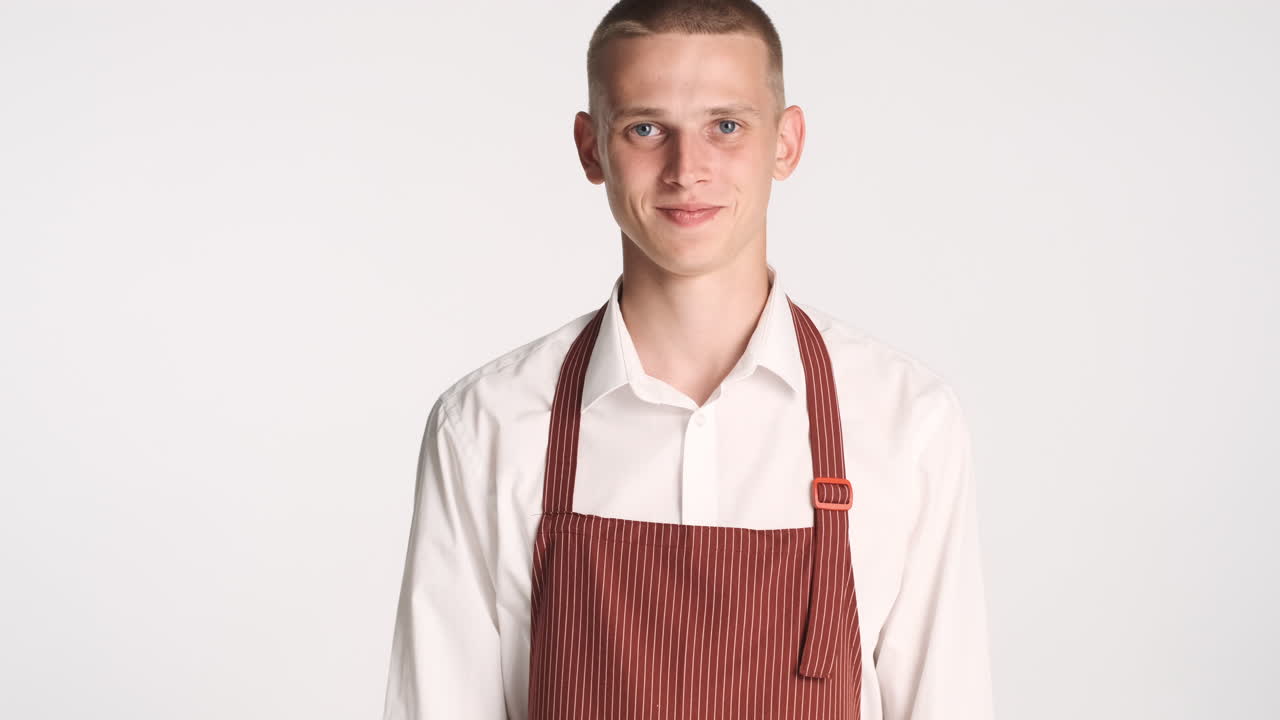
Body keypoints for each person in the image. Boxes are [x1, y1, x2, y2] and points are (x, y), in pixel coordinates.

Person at [382, 1, 994, 718]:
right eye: (646, 128)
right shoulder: (486, 425)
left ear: (786, 143)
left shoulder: (904, 419)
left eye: (725, 126)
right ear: (591, 148)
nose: (687, 169)